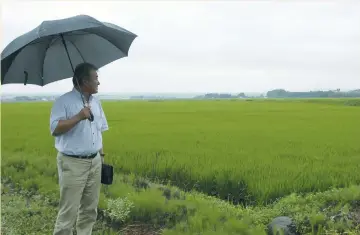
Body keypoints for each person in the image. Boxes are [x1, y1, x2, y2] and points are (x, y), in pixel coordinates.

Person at [50, 62, 109, 235]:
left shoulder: (96, 102)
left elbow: (98, 130)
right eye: (96, 78)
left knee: (90, 210)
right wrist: (78, 116)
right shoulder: (64, 102)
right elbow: (55, 129)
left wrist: (100, 153)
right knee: (69, 211)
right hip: (73, 164)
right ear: (84, 81)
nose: (99, 82)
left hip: (95, 162)